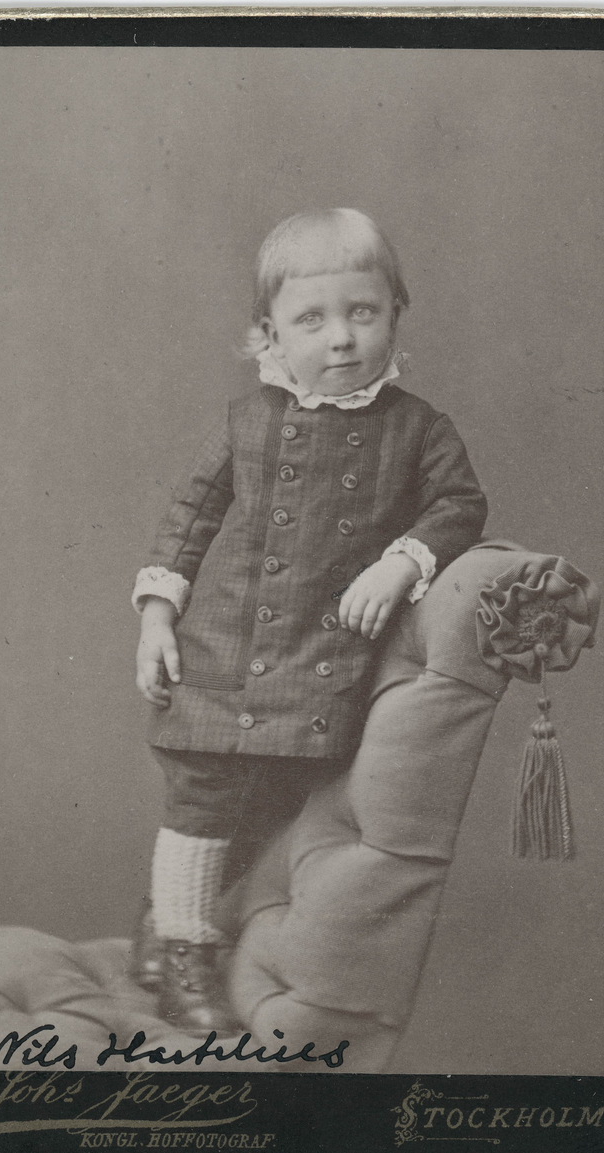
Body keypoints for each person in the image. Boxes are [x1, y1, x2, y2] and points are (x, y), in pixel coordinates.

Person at [131, 208, 487, 1035]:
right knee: (204, 800)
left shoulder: (418, 429)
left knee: (271, 809)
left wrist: (402, 562)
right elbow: (187, 522)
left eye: (363, 312)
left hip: (319, 663)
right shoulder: (245, 420)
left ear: (395, 312)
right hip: (221, 657)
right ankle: (182, 953)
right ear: (269, 333)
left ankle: (166, 921)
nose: (341, 338)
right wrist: (156, 618)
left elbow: (459, 506)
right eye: (312, 319)